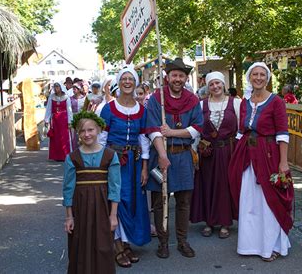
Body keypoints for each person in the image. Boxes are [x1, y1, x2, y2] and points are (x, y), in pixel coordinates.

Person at [228, 62, 293, 262]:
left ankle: (271, 245)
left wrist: (283, 162)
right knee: (249, 200)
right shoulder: (245, 102)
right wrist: (235, 157)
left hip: (269, 155)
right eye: (254, 74)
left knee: (269, 200)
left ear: (267, 78)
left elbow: (282, 133)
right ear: (249, 78)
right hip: (247, 155)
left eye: (262, 75)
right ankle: (250, 244)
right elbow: (241, 132)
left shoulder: (276, 102)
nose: (258, 78)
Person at [145, 58, 203, 259]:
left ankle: (182, 241)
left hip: (183, 156)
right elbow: (152, 129)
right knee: (160, 202)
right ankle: (163, 242)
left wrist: (171, 132)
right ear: (167, 77)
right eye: (174, 75)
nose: (177, 79)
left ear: (186, 78)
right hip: (161, 155)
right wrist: (161, 156)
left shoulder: (192, 100)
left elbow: (197, 129)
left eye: (181, 75)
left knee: (184, 201)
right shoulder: (156, 99)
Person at [99, 66, 151, 268]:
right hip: (113, 161)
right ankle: (117, 245)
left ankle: (126, 241)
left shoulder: (141, 110)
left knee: (133, 202)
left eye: (131, 79)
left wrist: (145, 167)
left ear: (136, 82)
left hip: (135, 162)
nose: (127, 82)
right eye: (124, 79)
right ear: (118, 82)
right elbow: (102, 138)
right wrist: (100, 165)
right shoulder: (109, 108)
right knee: (116, 201)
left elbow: (143, 138)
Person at [63, 111, 121, 273]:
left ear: (99, 130)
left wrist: (113, 215)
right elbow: (68, 188)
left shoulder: (110, 155)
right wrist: (69, 216)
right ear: (77, 133)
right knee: (79, 244)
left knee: (103, 245)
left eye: (90, 130)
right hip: (80, 208)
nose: (87, 134)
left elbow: (115, 186)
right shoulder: (72, 157)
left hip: (103, 208)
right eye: (82, 131)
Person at [190, 72, 241, 239]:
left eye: (218, 83)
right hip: (207, 151)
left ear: (223, 84)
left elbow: (241, 130)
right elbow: (196, 131)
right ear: (208, 86)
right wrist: (195, 153)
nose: (215, 87)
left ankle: (225, 222)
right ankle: (209, 221)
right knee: (208, 185)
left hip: (227, 150)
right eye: (212, 84)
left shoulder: (236, 103)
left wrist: (239, 151)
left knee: (225, 185)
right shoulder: (201, 105)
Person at [44, 82, 73, 161]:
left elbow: (69, 110)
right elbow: (49, 108)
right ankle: (56, 156)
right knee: (56, 139)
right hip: (55, 121)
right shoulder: (51, 97)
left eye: (57, 87)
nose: (56, 89)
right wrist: (47, 119)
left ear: (61, 87)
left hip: (64, 120)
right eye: (55, 87)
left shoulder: (66, 97)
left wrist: (70, 121)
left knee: (64, 138)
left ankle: (65, 155)